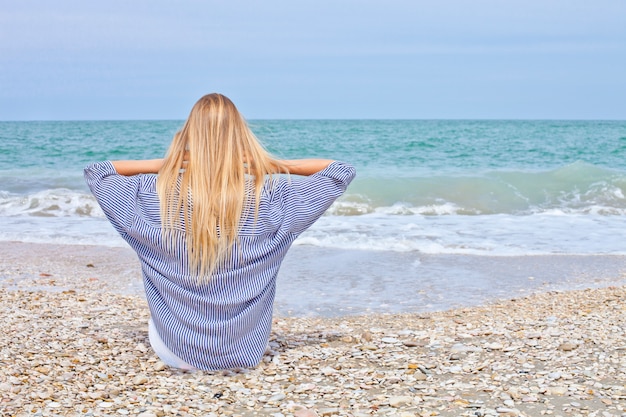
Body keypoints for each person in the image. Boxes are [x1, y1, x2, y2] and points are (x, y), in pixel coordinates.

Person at [84, 93, 356, 371]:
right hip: (246, 352)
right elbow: (339, 171)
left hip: (177, 353)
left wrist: (170, 163)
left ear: (188, 136)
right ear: (241, 137)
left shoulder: (154, 197)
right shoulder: (274, 199)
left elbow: (98, 172)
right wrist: (268, 164)